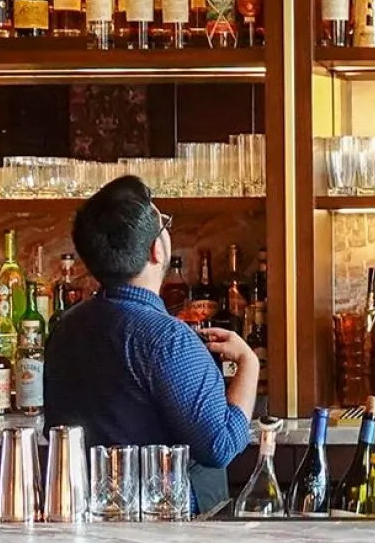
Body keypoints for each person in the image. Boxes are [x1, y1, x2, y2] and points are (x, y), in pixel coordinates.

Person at [43, 175, 257, 507]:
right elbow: (221, 446)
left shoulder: (65, 327)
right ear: (157, 250)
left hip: (88, 521)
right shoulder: (169, 340)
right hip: (166, 532)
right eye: (163, 223)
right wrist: (249, 363)